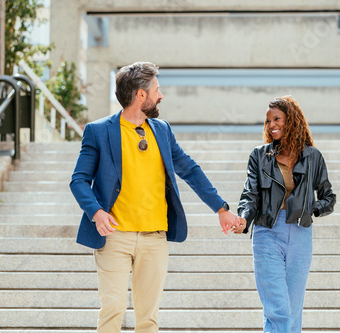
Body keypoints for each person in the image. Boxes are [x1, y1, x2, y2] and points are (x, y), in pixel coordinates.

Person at [70, 61, 239, 333]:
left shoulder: (162, 130)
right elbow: (79, 179)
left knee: (148, 319)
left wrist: (221, 208)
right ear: (141, 95)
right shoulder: (99, 131)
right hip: (115, 236)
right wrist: (96, 211)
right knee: (112, 310)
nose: (161, 95)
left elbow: (190, 170)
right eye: (157, 90)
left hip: (155, 238)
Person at [232, 96, 336, 333]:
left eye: (276, 119)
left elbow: (329, 197)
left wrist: (312, 208)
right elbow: (250, 194)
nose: (271, 125)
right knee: (279, 309)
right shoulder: (259, 156)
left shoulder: (313, 157)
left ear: (291, 120)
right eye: (268, 121)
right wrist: (244, 218)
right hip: (267, 232)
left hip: (300, 233)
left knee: (293, 310)